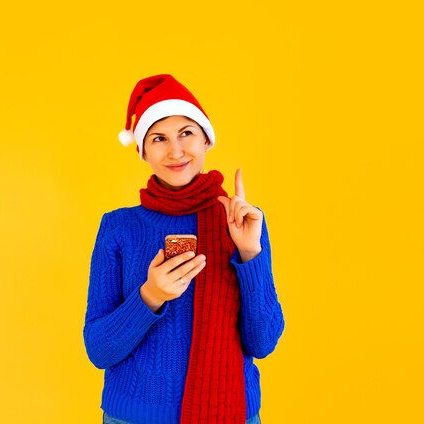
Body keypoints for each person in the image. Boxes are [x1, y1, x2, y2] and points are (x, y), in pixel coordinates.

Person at [83, 74, 285, 424]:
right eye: (159, 138)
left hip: (232, 412)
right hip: (133, 417)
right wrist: (150, 295)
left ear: (207, 140)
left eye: (186, 134)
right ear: (142, 150)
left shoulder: (243, 222)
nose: (175, 151)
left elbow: (263, 342)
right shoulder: (119, 228)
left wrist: (250, 254)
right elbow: (99, 350)